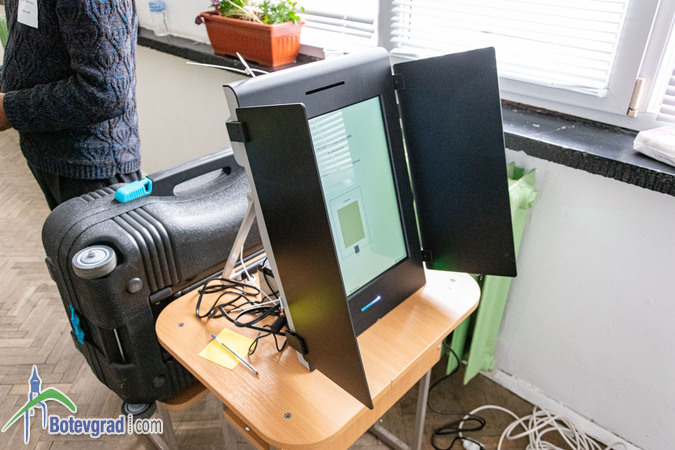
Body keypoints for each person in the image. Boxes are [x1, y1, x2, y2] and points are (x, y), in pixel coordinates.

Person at [0, 0, 142, 210]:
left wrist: (9, 109)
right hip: (45, 151)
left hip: (93, 167)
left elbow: (104, 92)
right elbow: (32, 48)